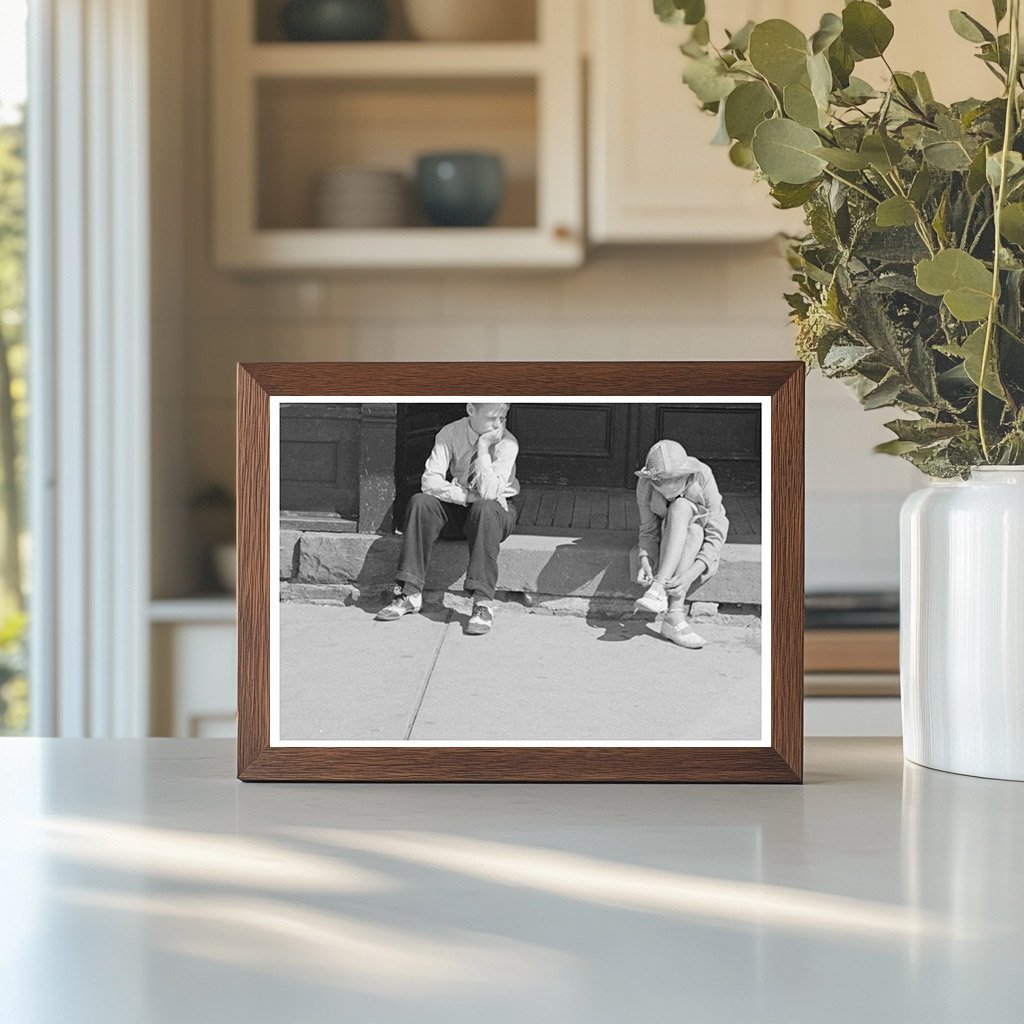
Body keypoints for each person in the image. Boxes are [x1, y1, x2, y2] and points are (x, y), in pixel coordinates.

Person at [376, 402, 519, 635]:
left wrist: (483, 447)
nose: (498, 424)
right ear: (471, 410)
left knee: (485, 508)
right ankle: (410, 591)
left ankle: (482, 602)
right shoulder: (450, 433)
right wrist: (465, 496)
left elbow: (491, 493)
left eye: (503, 417)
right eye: (492, 417)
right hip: (461, 504)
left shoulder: (507, 443)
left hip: (494, 515)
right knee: (421, 502)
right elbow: (429, 481)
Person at [633, 439, 729, 650]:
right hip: (667, 542)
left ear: (685, 475)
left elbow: (717, 532)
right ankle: (674, 619)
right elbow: (648, 530)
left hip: (696, 542)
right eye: (660, 484)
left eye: (674, 482)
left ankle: (660, 591)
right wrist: (645, 558)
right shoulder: (645, 485)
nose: (665, 488)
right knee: (681, 511)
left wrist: (691, 574)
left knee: (684, 510)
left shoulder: (702, 475)